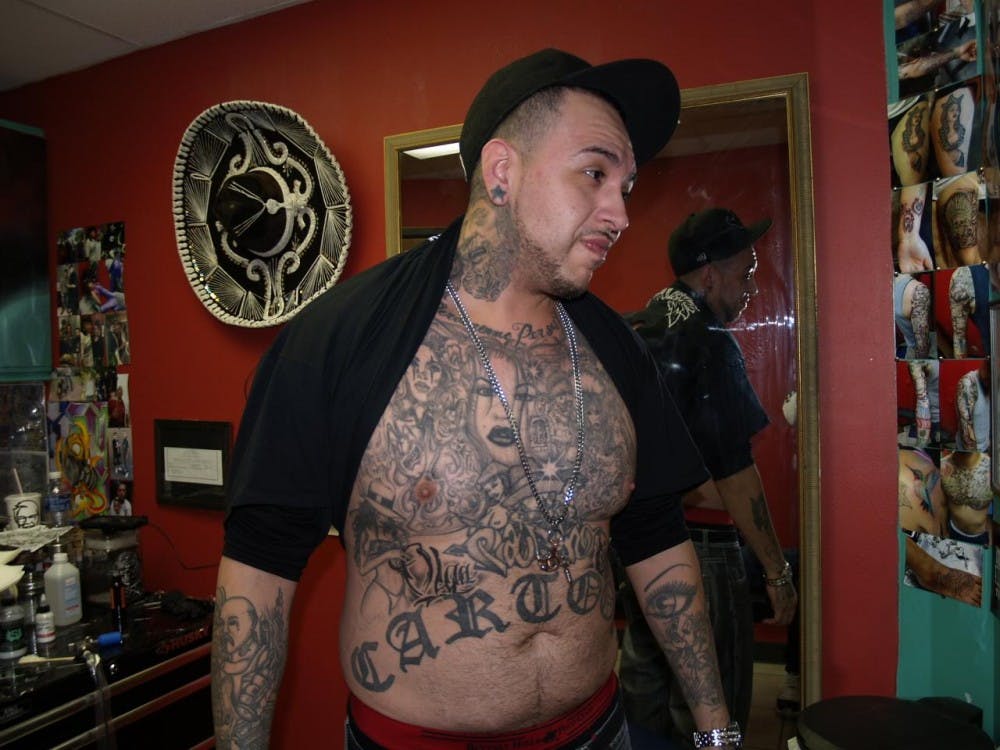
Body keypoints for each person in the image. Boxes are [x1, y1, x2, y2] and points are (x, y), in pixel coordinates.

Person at [214, 49, 742, 750]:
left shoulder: (618, 351)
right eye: (595, 174)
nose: (620, 213)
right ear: (502, 171)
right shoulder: (340, 339)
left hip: (597, 729)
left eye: (627, 187)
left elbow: (657, 537)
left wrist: (716, 732)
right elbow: (259, 573)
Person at [621, 209, 798, 745]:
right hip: (702, 550)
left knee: (645, 692)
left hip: (642, 545)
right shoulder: (709, 341)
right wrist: (777, 572)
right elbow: (736, 475)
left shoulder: (641, 325)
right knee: (710, 702)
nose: (751, 289)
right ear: (709, 274)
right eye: (745, 274)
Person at [894, 273, 931, 358]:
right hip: (916, 355)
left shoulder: (892, 282)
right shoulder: (919, 290)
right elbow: (922, 346)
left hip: (909, 350)